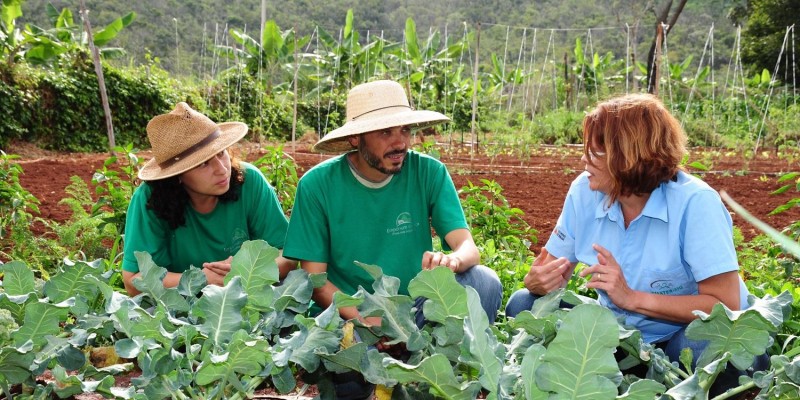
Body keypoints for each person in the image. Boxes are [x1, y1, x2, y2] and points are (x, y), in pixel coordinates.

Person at [505, 93, 767, 395]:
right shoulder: (584, 191)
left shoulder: (696, 203)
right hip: (623, 335)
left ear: (629, 156)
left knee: (711, 347)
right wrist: (538, 281)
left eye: (596, 153)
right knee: (524, 305)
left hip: (681, 336)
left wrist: (631, 297)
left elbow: (725, 304)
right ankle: (634, 371)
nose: (583, 160)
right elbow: (547, 268)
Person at [283, 80, 502, 398]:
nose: (399, 143)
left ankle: (451, 377)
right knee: (336, 354)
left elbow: (467, 246)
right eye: (385, 133)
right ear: (356, 137)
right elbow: (315, 281)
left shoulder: (429, 172)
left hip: (416, 310)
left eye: (404, 131)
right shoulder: (317, 186)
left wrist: (453, 259)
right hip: (354, 316)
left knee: (484, 282)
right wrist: (363, 318)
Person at [121, 102, 296, 296]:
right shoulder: (149, 199)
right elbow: (133, 280)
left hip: (247, 302)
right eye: (204, 164)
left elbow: (286, 255)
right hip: (177, 312)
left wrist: (247, 270)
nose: (222, 169)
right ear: (177, 176)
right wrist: (200, 280)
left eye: (221, 153)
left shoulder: (250, 181)